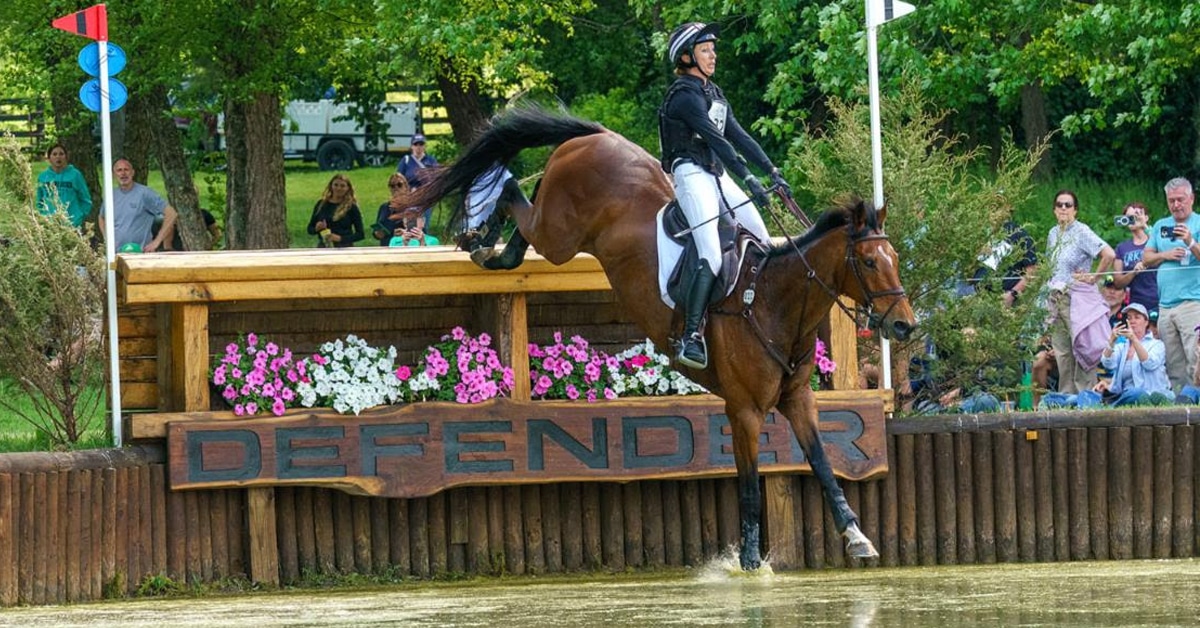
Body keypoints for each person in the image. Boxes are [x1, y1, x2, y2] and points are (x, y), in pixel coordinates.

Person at [658, 21, 786, 369]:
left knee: (761, 238)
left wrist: (772, 172)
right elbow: (718, 142)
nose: (713, 55)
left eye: (713, 49)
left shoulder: (712, 93)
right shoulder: (684, 95)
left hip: (714, 173)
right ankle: (691, 336)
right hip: (690, 174)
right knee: (711, 254)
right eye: (705, 50)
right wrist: (749, 179)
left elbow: (740, 136)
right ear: (686, 57)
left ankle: (752, 315)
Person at [1044, 190, 1116, 394]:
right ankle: (1066, 398)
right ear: (1054, 209)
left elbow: (1108, 253)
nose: (1063, 208)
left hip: (1076, 297)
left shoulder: (1082, 231)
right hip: (1056, 298)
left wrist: (1094, 277)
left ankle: (1085, 396)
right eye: (1060, 204)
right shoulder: (1052, 233)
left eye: (1068, 205)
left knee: (1082, 348)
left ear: (1075, 209)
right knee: (1062, 351)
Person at [1142, 177, 1200, 393]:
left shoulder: (1198, 223)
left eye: (1181, 200)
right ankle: (1179, 406)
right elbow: (1146, 258)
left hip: (1193, 302)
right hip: (1165, 305)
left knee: (1196, 357)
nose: (1176, 205)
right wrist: (1166, 254)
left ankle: (1196, 406)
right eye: (1171, 200)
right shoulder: (1160, 225)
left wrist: (1190, 241)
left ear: (1191, 199)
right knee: (1173, 362)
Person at [1094, 303, 1173, 406]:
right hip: (1124, 395)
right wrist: (1112, 340)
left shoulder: (1157, 344)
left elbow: (1149, 363)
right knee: (1078, 396)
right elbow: (1108, 364)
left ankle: (1109, 406)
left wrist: (1134, 339)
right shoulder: (1122, 346)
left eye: (1137, 317)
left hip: (1149, 393)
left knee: (1136, 392)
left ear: (1146, 322)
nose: (1132, 321)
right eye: (1129, 318)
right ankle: (1110, 403)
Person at [100, 159, 177, 252]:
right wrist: (106, 239)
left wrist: (157, 242)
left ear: (133, 172)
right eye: (119, 170)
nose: (123, 173)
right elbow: (101, 217)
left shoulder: (145, 193)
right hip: (116, 255)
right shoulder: (111, 195)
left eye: (126, 169)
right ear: (114, 174)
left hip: (140, 255)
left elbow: (171, 214)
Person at [1110, 201, 1159, 314]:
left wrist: (1144, 226)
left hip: (1159, 300)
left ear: (1145, 217)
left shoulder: (1153, 239)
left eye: (1136, 215)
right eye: (1129, 217)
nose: (1133, 219)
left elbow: (1161, 247)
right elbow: (1118, 283)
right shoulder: (1122, 248)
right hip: (1136, 304)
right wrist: (1133, 272)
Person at [35, 143, 92, 228]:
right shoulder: (43, 177)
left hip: (71, 224)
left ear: (66, 157)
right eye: (54, 154)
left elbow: (85, 199)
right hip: (50, 224)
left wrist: (79, 217)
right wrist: (44, 217)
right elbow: (40, 201)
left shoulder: (75, 175)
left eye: (61, 154)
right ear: (49, 158)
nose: (58, 157)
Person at [306, 174, 364, 248]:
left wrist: (340, 238)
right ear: (331, 186)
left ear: (348, 188)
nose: (338, 188)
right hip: (324, 246)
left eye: (342, 186)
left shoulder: (351, 207)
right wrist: (316, 228)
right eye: (336, 185)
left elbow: (360, 234)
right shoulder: (321, 204)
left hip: (344, 247)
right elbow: (310, 229)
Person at [396, 133, 438, 226]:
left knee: (423, 225)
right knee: (410, 225)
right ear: (412, 146)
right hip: (409, 196)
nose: (418, 147)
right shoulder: (406, 160)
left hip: (425, 197)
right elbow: (397, 180)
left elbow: (436, 179)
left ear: (425, 146)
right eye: (416, 144)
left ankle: (424, 240)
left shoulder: (431, 160)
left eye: (421, 144)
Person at [372, 174, 412, 246]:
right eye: (392, 185)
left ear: (406, 187)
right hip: (386, 246)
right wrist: (377, 233)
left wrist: (404, 232)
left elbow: (421, 229)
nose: (396, 188)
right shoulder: (384, 207)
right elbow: (377, 228)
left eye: (399, 185)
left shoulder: (412, 207)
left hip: (404, 245)